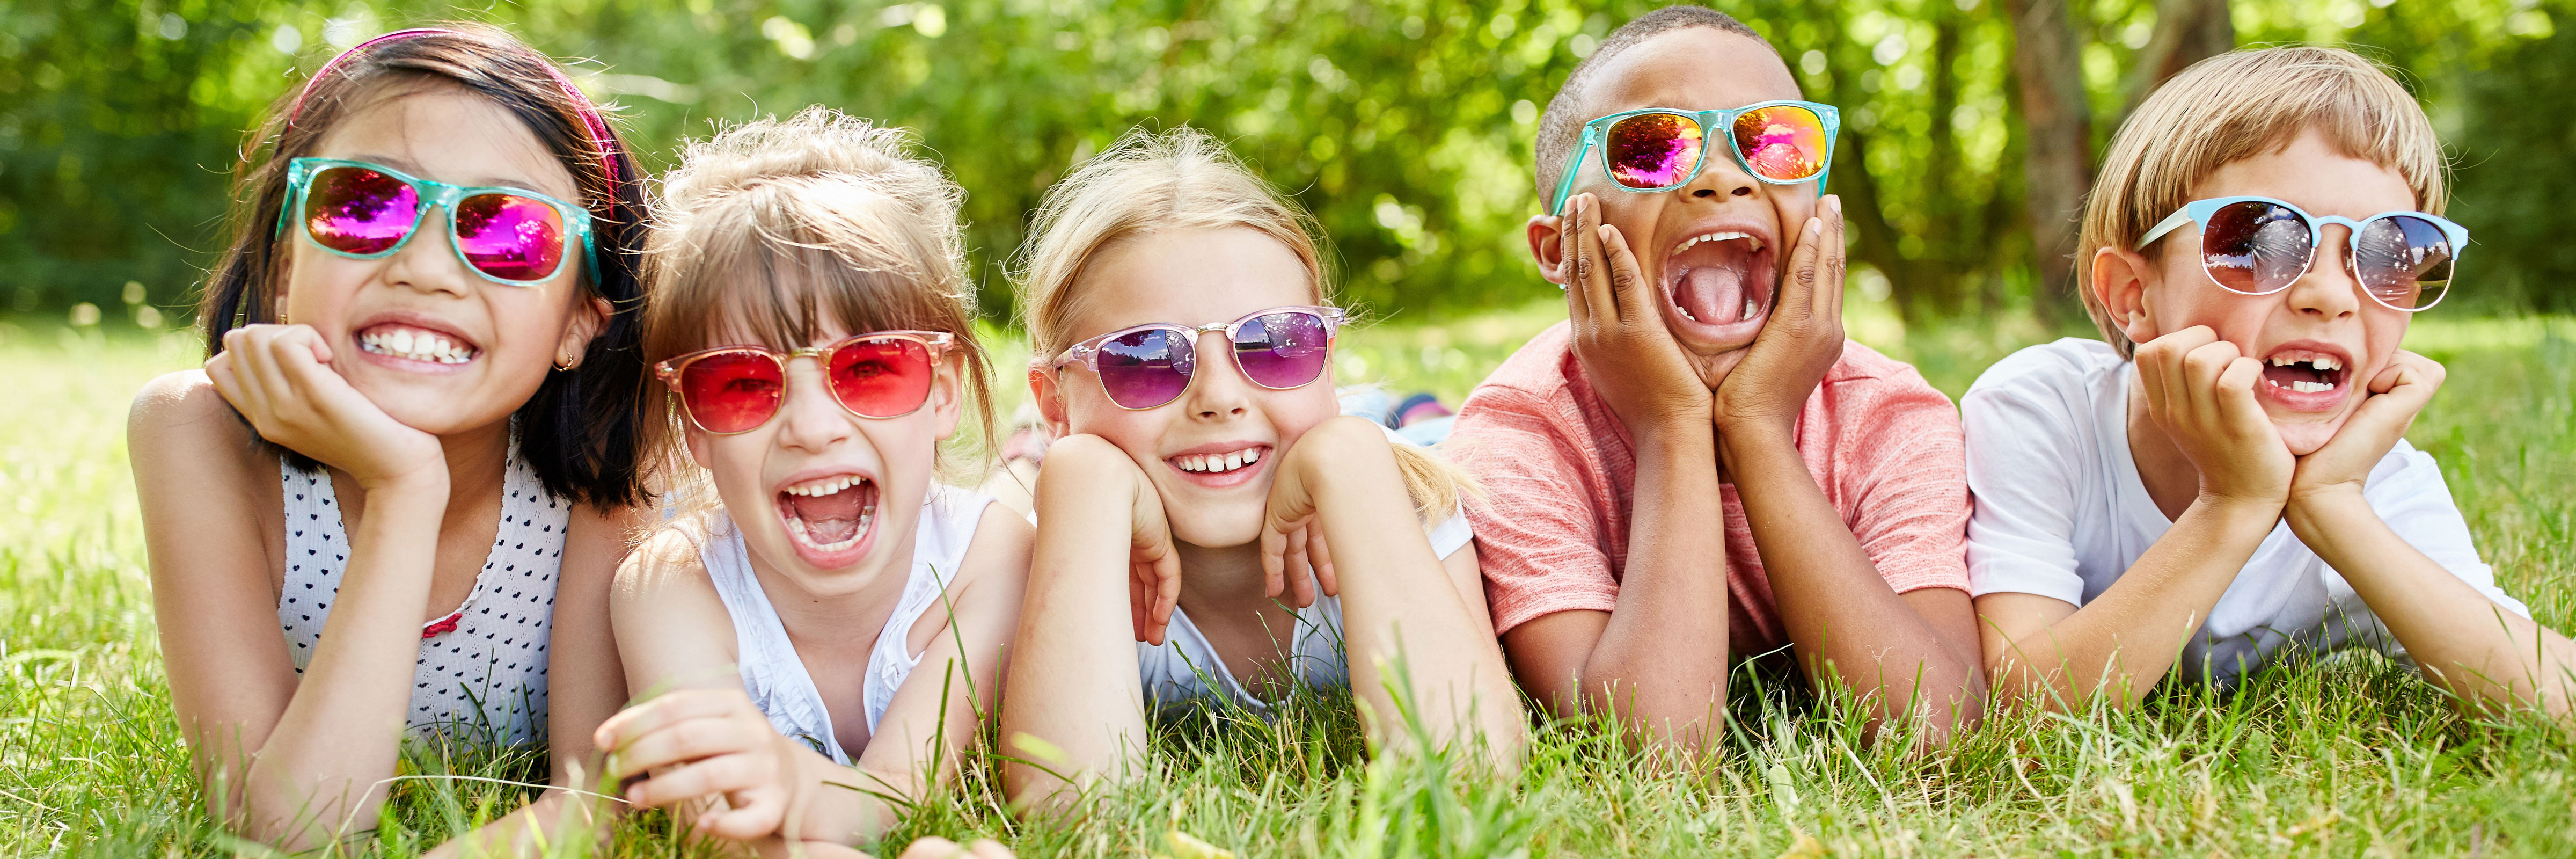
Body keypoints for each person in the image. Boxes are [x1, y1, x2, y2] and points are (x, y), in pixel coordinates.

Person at [127, 26, 649, 849]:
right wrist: (406, 489)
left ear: (579, 324)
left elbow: (595, 803)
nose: (427, 268)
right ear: (285, 261)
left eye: (508, 232)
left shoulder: (603, 463)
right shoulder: (198, 433)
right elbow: (288, 829)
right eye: (366, 203)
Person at [1966, 47, 2576, 714]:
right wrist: (2233, 504)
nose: (2330, 294)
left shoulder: (2382, 484)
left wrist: (2335, 504)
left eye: (2390, 250)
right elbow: (2018, 713)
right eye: (2259, 242)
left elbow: (2557, 698)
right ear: (2133, 296)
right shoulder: (2045, 412)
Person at [1446, 4, 1986, 751]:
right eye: (1652, 148)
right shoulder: (1520, 433)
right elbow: (1655, 756)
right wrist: (1669, 424)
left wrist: (1758, 426)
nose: (1724, 179)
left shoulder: (1890, 414)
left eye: (1775, 142)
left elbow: (1935, 730)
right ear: (1555, 248)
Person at [999, 129, 1526, 811]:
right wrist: (1079, 478)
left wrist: (1352, 456)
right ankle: (1025, 446)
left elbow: (1473, 773)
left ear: (1329, 361)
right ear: (1056, 404)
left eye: (1278, 344)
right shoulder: (1052, 550)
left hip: (1396, 442)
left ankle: (1398, 412)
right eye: (1145, 358)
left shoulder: (1409, 506)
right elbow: (1069, 807)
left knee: (1413, 430)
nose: (1219, 397)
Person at [589, 107, 1033, 854]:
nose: (810, 426)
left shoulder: (990, 558)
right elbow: (719, 822)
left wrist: (790, 788)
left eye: (870, 368)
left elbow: (904, 793)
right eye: (738, 382)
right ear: (693, 428)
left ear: (946, 391)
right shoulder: (670, 586)